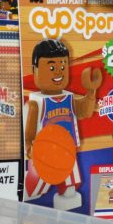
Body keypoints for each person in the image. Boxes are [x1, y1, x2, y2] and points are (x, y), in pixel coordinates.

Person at [23, 38, 101, 210]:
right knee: (35, 189)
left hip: (67, 151)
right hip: (44, 154)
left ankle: (67, 197)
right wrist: (30, 149)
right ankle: (30, 186)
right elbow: (28, 134)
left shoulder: (68, 97)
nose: (58, 71)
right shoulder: (37, 102)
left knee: (70, 186)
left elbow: (85, 111)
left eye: (63, 66)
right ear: (35, 70)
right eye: (51, 67)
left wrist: (91, 91)